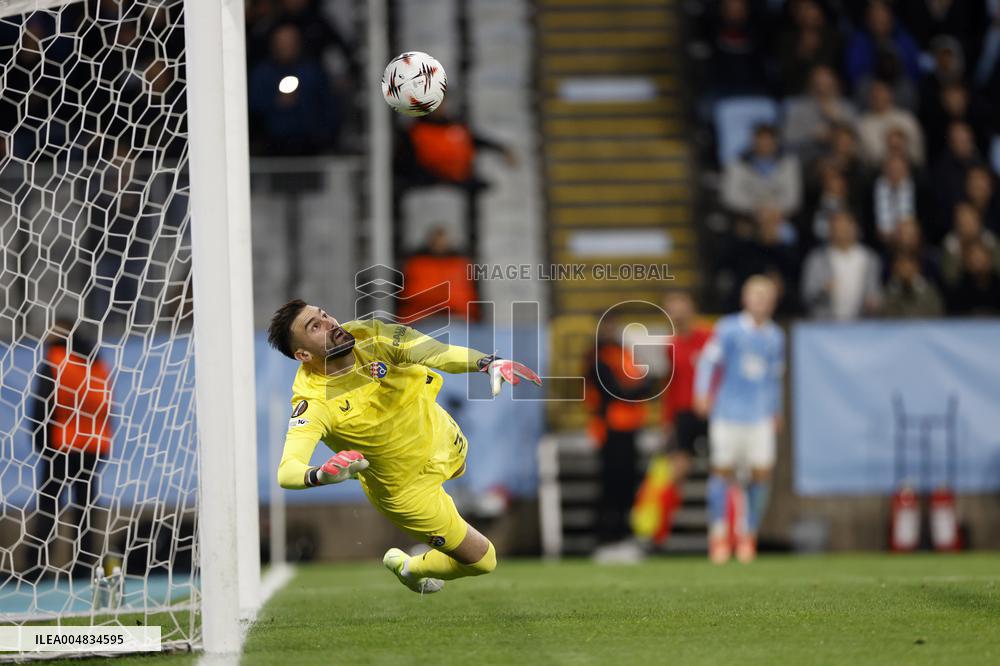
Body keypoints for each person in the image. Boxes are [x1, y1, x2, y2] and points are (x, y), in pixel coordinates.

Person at [267, 301, 541, 594]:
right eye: (315, 326)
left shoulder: (371, 335)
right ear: (303, 354)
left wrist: (486, 362)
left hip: (441, 437)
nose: (331, 322)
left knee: (461, 465)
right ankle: (410, 567)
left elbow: (434, 352)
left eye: (324, 314)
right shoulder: (314, 402)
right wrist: (321, 474)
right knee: (483, 560)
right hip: (406, 490)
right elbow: (287, 471)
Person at [694, 276, 784, 564]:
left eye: (766, 296)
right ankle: (719, 535)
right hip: (727, 413)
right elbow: (708, 362)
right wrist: (702, 393)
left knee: (761, 475)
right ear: (745, 299)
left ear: (773, 302)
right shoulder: (729, 328)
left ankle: (748, 534)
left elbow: (775, 379)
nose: (760, 301)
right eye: (755, 295)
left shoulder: (775, 336)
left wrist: (776, 410)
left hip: (759, 416)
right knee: (722, 472)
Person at [25, 320, 112, 581]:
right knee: (85, 508)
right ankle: (83, 566)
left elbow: (43, 404)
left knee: (49, 506)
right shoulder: (96, 363)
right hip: (93, 446)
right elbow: (107, 406)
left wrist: (41, 443)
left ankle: (36, 566)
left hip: (60, 445)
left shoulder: (55, 360)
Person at [584, 325, 653, 560]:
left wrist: (637, 388)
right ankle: (605, 537)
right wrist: (636, 389)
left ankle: (624, 535)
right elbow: (614, 390)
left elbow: (645, 383)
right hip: (610, 430)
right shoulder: (597, 358)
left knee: (628, 483)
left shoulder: (624, 354)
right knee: (611, 484)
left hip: (630, 428)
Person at [656, 291, 713, 546]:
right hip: (683, 413)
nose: (676, 312)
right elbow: (669, 385)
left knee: (725, 470)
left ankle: (728, 532)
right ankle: (656, 534)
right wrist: (666, 421)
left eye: (680, 306)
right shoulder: (670, 345)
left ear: (691, 307)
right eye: (671, 308)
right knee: (675, 471)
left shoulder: (710, 338)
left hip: (711, 410)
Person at [801, 211, 883, 320]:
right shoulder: (816, 259)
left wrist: (874, 302)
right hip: (824, 327)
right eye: (836, 227)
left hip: (862, 327)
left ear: (855, 228)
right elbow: (806, 297)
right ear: (830, 230)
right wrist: (823, 292)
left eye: (845, 227)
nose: (840, 231)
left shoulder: (870, 258)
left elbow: (876, 293)